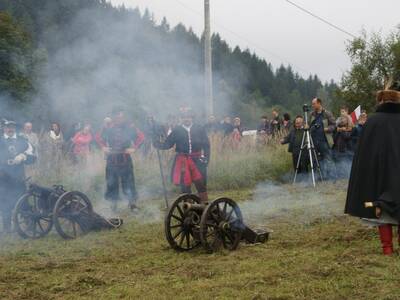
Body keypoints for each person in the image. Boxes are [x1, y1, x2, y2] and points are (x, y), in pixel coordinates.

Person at [345, 87, 400, 255]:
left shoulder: (373, 121)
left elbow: (365, 155)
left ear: (381, 101)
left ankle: (387, 248)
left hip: (380, 175)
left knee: (382, 210)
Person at [153, 108, 210, 203]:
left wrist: (206, 158)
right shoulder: (177, 130)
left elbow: (206, 145)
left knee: (201, 184)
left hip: (198, 160)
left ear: (192, 117)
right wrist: (157, 144)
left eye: (188, 117)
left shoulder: (199, 128)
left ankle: (205, 205)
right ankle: (188, 208)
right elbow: (168, 144)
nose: (186, 119)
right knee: (185, 186)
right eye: (183, 117)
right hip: (182, 161)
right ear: (181, 118)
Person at [100, 108, 142, 211]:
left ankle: (132, 204)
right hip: (112, 159)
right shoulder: (107, 127)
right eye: (117, 115)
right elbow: (98, 138)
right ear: (113, 116)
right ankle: (113, 204)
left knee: (128, 181)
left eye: (121, 115)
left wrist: (134, 148)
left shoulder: (129, 126)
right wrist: (103, 147)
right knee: (112, 182)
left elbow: (141, 137)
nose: (119, 117)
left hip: (125, 158)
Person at [0, 120, 35, 232]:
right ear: (4, 128)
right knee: (5, 202)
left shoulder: (23, 141)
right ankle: (7, 228)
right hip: (3, 177)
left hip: (19, 177)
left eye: (12, 127)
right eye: (7, 127)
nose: (10, 129)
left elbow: (33, 155)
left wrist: (23, 156)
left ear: (15, 128)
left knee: (23, 200)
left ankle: (29, 225)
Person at [309, 98, 336, 179]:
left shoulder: (327, 114)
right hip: (313, 141)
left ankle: (332, 177)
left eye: (314, 103)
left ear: (319, 103)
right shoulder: (311, 114)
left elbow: (334, 125)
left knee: (328, 159)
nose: (312, 105)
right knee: (315, 160)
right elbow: (307, 124)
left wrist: (328, 129)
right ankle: (318, 177)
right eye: (312, 104)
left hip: (324, 141)